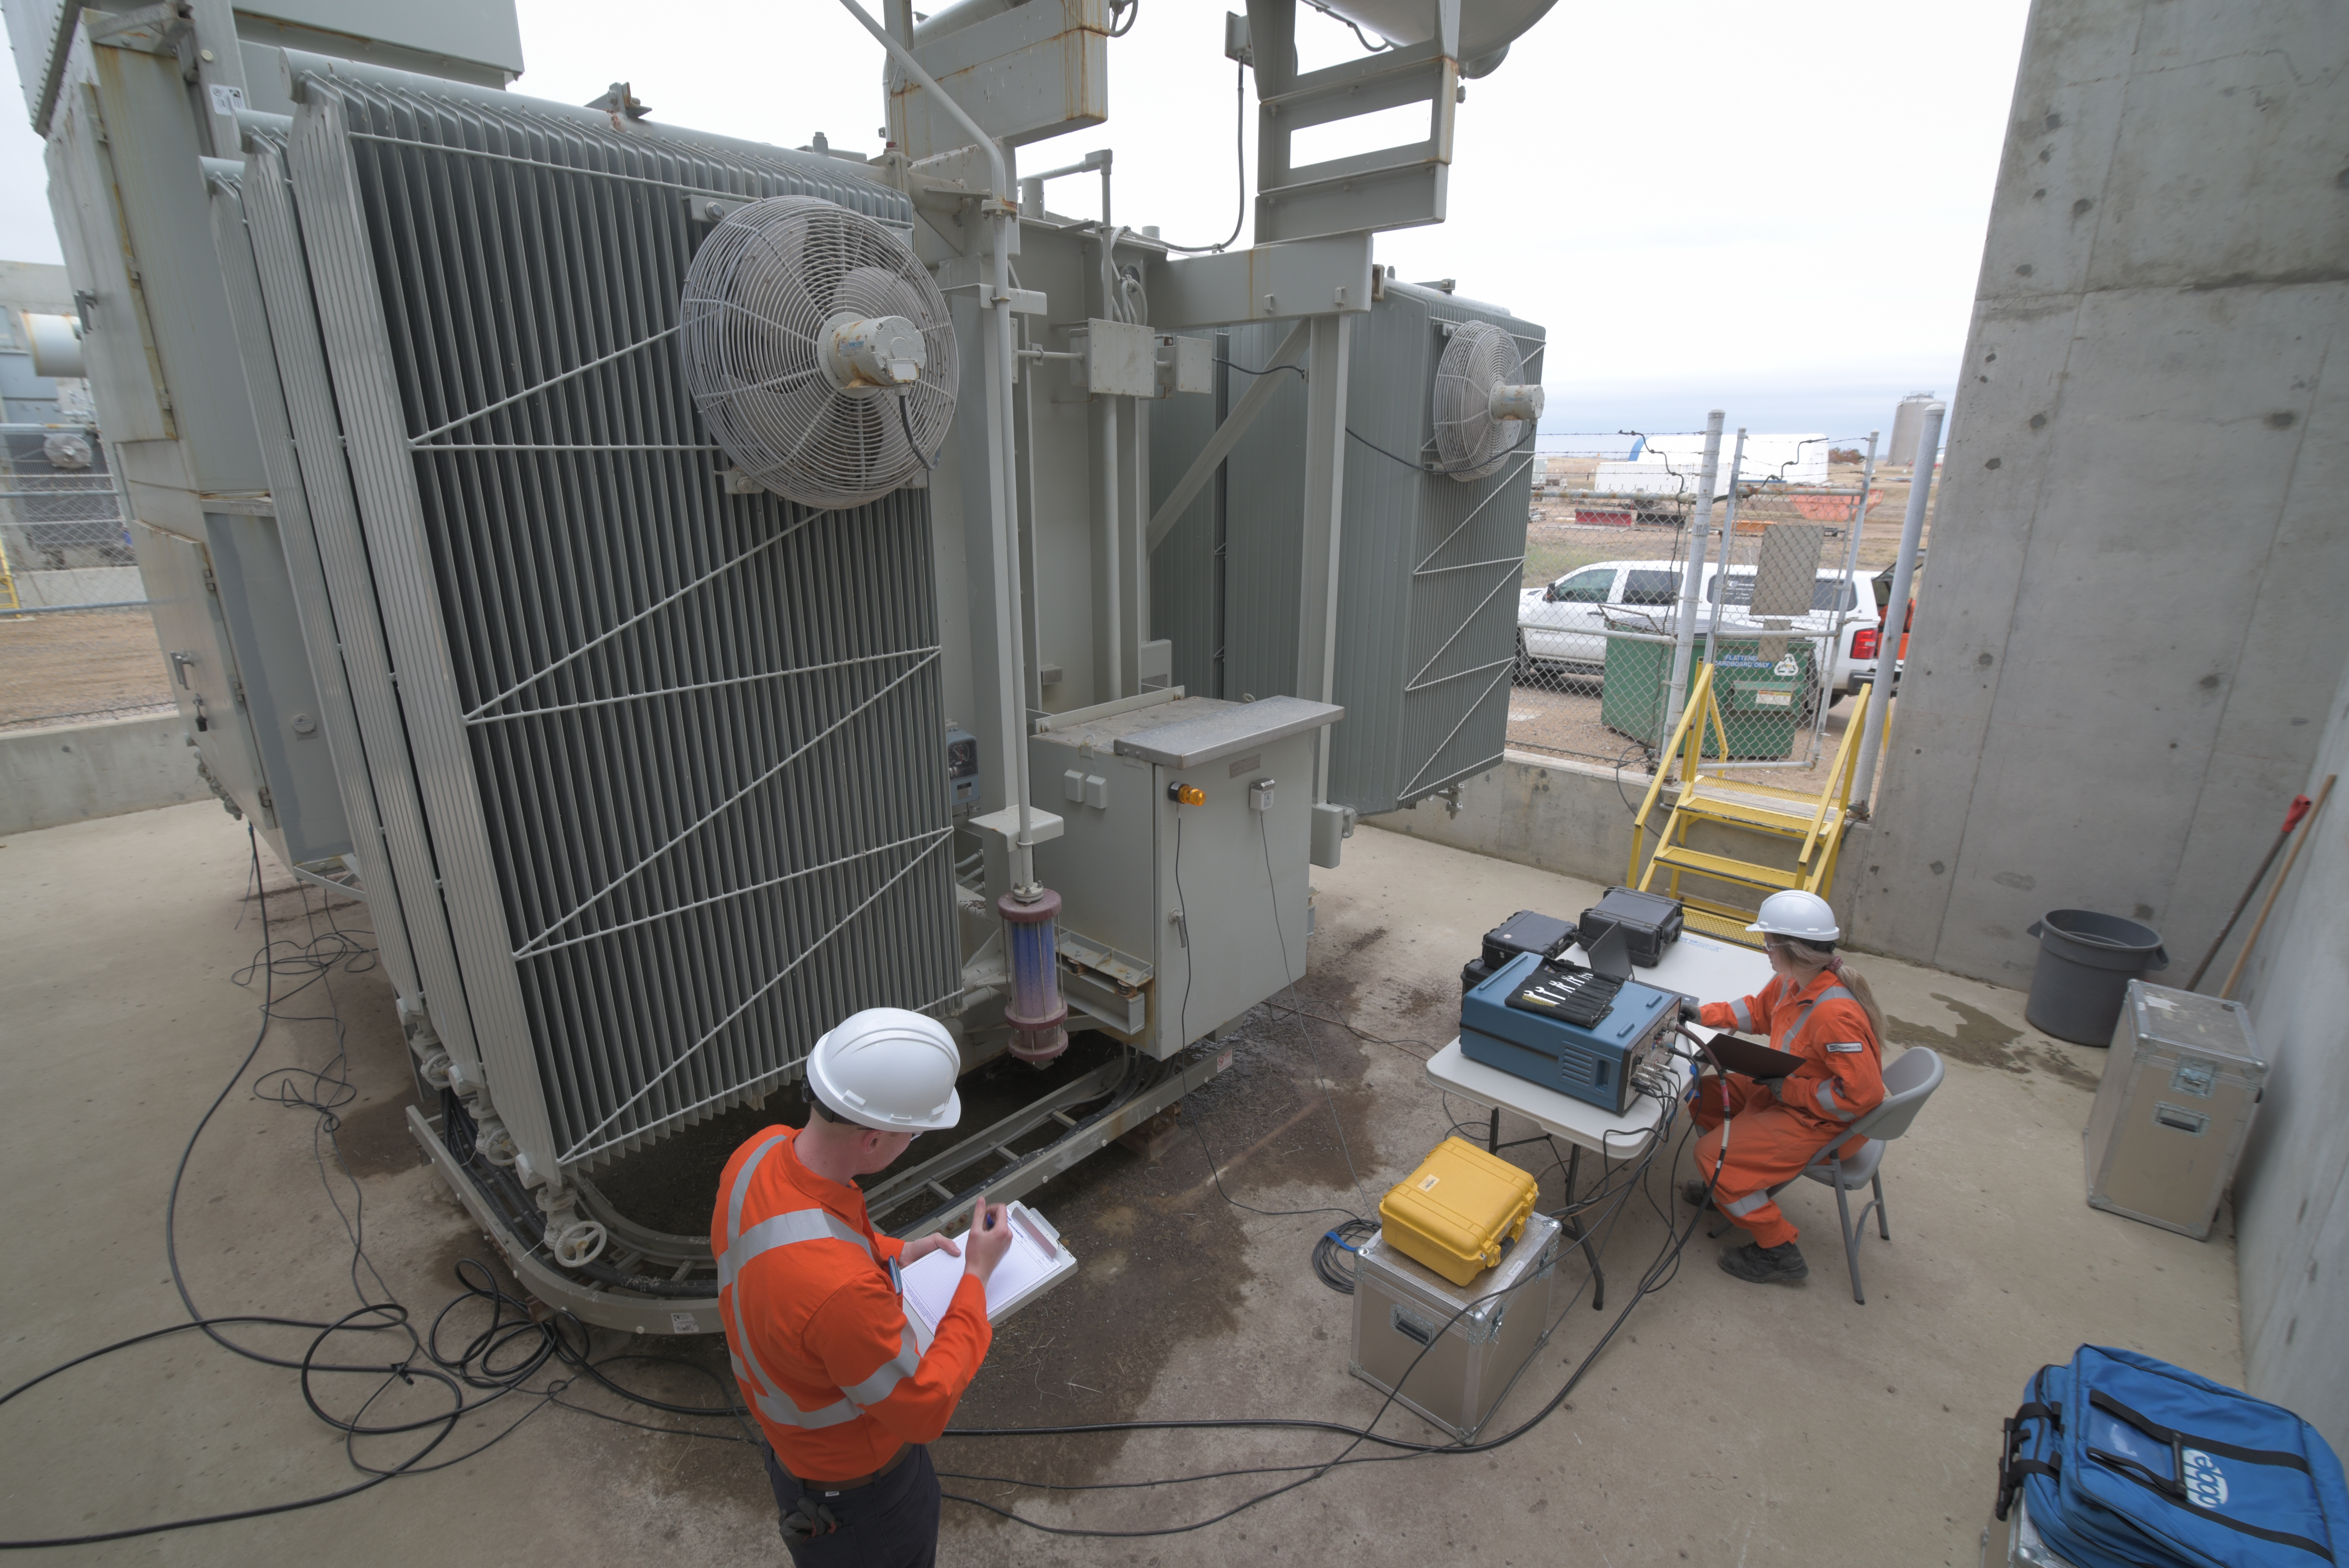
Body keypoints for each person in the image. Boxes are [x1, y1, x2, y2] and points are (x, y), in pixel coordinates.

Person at [711, 1008, 1012, 1566]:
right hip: (864, 1502)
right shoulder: (841, 1293)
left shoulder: (757, 1154)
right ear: (873, 1141)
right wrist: (975, 1276)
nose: (915, 1140)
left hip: (795, 1462)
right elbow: (923, 1409)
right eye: (915, 1131)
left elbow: (809, 1237)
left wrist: (897, 1255)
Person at [1677, 890, 1888, 1285]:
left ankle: (1777, 1250)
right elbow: (1756, 1011)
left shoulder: (1834, 1013)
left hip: (1822, 1124)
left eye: (1769, 942)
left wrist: (1789, 1092)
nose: (1765, 949)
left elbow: (1861, 1097)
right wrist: (1700, 1014)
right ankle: (1733, 1183)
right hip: (1787, 1095)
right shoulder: (1794, 982)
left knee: (1712, 1156)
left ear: (1793, 949)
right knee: (1702, 1096)